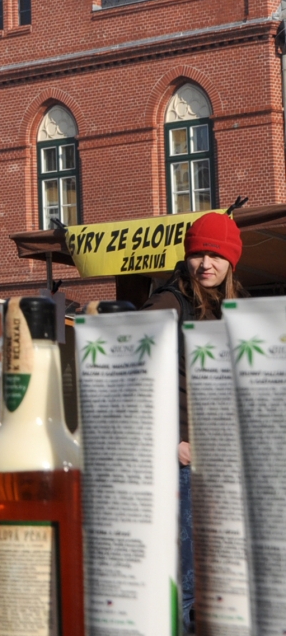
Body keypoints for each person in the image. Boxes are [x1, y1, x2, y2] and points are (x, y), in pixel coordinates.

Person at [142, 210, 245, 631]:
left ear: (232, 262)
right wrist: (170, 442)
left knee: (228, 580)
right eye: (198, 253)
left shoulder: (240, 307)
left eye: (216, 256)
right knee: (186, 583)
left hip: (229, 468)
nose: (206, 264)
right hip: (184, 467)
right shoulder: (169, 304)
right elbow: (130, 375)